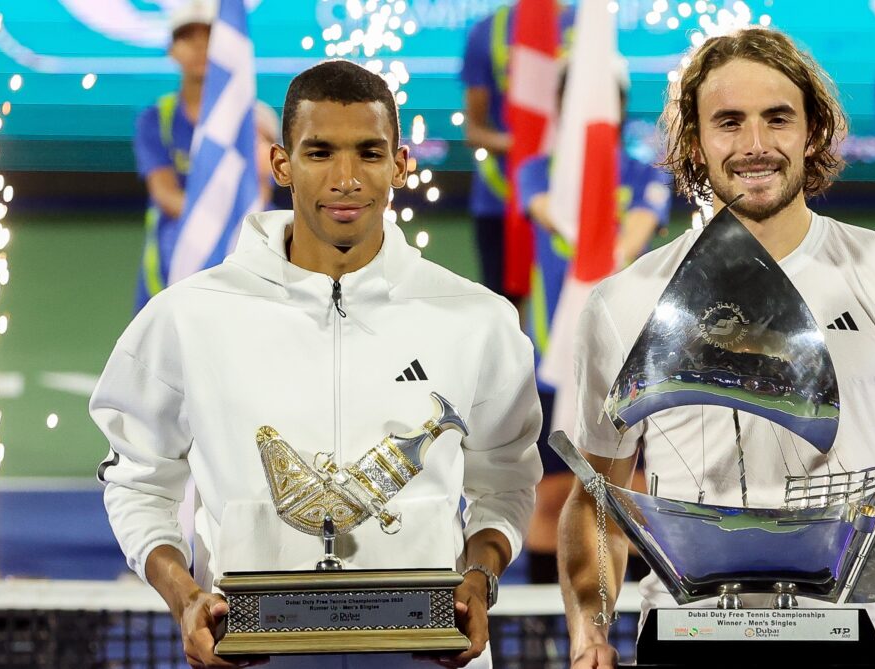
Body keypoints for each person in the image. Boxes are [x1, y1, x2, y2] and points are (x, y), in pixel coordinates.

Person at [93, 59, 543, 669]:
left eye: (369, 152)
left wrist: (480, 576)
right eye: (320, 152)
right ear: (282, 164)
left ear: (400, 165)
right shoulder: (189, 316)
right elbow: (137, 483)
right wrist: (185, 596)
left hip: (423, 657)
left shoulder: (478, 320)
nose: (347, 177)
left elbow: (506, 483)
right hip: (252, 656)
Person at [558, 28, 875, 668]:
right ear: (694, 143)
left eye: (777, 119)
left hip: (852, 645)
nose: (755, 145)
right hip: (681, 645)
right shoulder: (622, 303)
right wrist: (590, 631)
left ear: (812, 133)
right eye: (729, 123)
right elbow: (595, 499)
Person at [515, 64, 670, 584]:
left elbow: (630, 244)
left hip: (635, 363)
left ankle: (631, 627)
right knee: (553, 494)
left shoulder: (646, 175)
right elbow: (554, 219)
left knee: (638, 490)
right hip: (554, 362)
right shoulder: (538, 170)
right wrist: (586, 218)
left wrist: (612, 240)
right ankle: (539, 636)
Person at [132, 0, 277, 312]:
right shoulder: (155, 119)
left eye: (209, 36)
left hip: (246, 254)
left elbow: (261, 194)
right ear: (172, 50)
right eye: (187, 37)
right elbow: (164, 193)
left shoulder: (257, 120)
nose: (200, 47)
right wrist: (214, 223)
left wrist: (232, 230)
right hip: (174, 258)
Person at [459, 2, 574, 303]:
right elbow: (474, 130)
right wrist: (528, 148)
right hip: (500, 203)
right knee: (505, 315)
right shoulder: (488, 32)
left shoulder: (587, 27)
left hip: (574, 197)